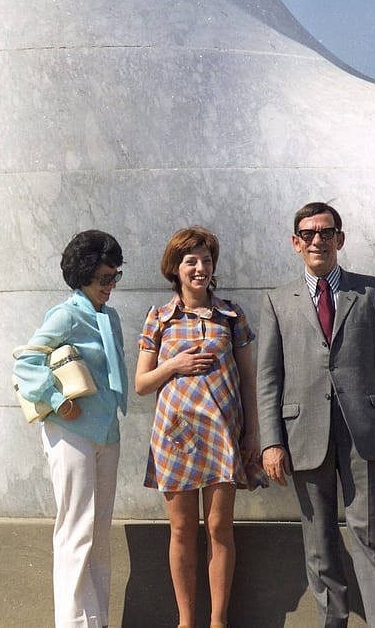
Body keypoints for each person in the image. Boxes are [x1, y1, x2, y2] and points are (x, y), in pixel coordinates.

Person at [256, 202, 375, 627]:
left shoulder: (373, 292)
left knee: (370, 538)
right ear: (295, 242)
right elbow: (268, 376)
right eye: (308, 234)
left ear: (339, 239)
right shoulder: (277, 301)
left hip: (367, 432)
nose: (317, 241)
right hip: (304, 433)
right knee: (320, 545)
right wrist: (271, 441)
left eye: (326, 233)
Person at [135, 226, 265, 628]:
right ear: (175, 267)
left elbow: (248, 377)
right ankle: (186, 621)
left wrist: (253, 432)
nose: (200, 268)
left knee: (218, 526)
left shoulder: (231, 315)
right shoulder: (159, 317)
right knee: (181, 529)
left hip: (222, 434)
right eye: (191, 260)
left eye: (207, 260)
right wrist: (173, 365)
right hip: (175, 437)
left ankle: (219, 621)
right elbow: (141, 384)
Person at [13, 230, 129, 628]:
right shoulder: (65, 313)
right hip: (71, 430)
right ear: (82, 277)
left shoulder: (108, 315)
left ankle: (95, 621)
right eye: (104, 279)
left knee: (98, 534)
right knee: (75, 531)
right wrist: (57, 398)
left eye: (115, 277)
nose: (110, 286)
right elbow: (26, 363)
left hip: (106, 433)